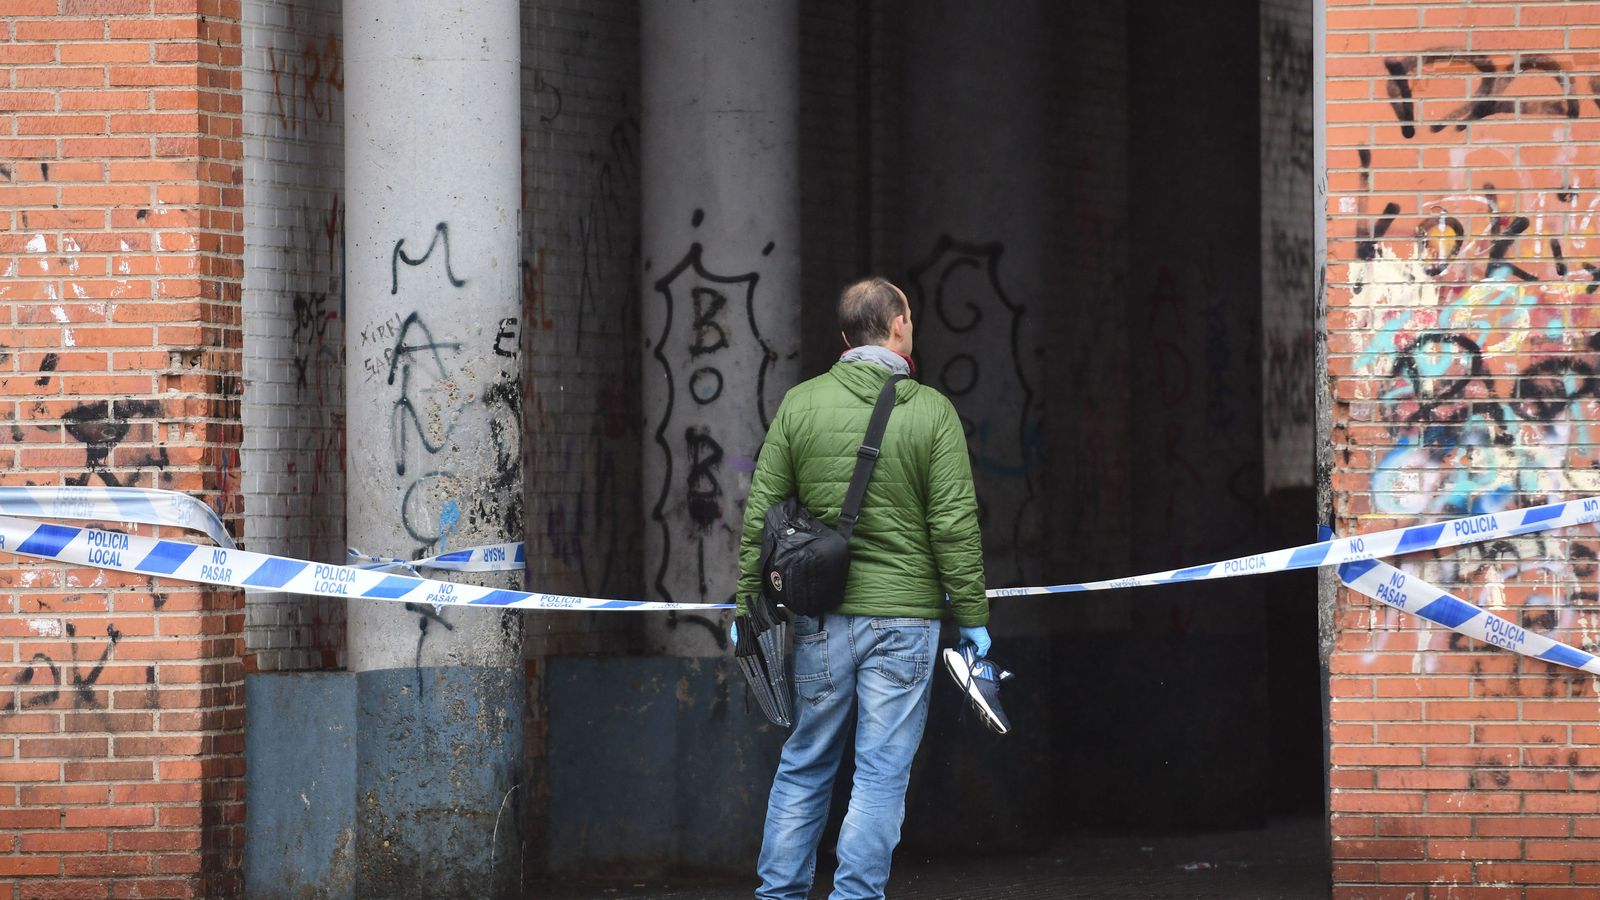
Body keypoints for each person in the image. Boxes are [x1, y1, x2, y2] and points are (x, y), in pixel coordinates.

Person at [734, 276, 989, 900]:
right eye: (911, 319)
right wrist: (973, 617)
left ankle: (778, 895)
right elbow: (953, 525)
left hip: (820, 620)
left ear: (846, 337)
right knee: (880, 774)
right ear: (899, 326)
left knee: (805, 763)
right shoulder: (931, 412)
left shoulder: (800, 405)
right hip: (905, 622)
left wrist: (749, 607)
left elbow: (762, 516)